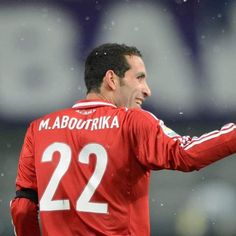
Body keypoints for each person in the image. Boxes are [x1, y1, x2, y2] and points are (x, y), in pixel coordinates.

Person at [10, 43, 236, 236]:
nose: (146, 90)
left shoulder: (40, 128)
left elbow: (23, 208)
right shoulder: (131, 122)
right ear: (111, 79)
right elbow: (186, 154)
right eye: (139, 78)